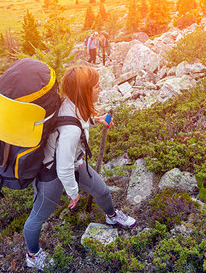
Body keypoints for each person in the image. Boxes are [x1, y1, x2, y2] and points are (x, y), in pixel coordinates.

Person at [23, 66, 136, 271]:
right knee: (37, 217)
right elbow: (63, 167)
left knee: (101, 190)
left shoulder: (71, 104)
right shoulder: (71, 132)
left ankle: (112, 217)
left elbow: (76, 119)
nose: (100, 89)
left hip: (77, 163)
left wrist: (95, 120)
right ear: (84, 91)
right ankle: (32, 255)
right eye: (96, 86)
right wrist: (73, 194)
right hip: (52, 175)